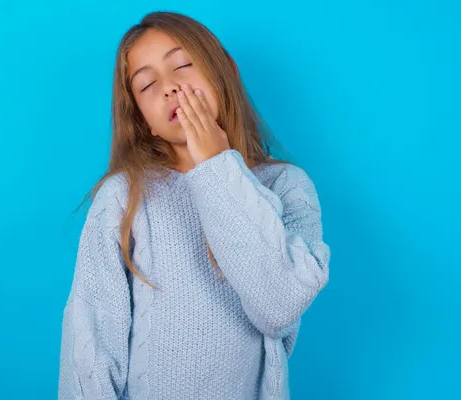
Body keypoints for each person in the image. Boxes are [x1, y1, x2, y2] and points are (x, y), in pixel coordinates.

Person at [58, 10, 331, 400]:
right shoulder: (123, 196)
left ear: (226, 71)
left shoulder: (287, 186)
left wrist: (217, 167)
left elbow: (279, 306)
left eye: (183, 64)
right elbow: (90, 341)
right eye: (148, 84)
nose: (170, 87)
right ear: (144, 119)